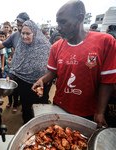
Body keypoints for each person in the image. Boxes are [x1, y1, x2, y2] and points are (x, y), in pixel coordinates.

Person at [32, 0, 116, 128]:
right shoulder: (56, 47)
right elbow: (53, 72)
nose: (58, 27)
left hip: (89, 112)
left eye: (63, 22)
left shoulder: (105, 42)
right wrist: (42, 80)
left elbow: (107, 81)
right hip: (60, 106)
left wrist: (100, 112)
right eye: (57, 22)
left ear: (79, 18)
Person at [7, 20, 51, 124]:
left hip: (41, 84)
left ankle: (40, 126)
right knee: (26, 106)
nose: (24, 36)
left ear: (34, 33)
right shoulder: (20, 46)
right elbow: (15, 63)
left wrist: (48, 78)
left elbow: (52, 67)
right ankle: (27, 125)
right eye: (23, 33)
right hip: (24, 84)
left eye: (28, 33)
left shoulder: (45, 46)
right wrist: (10, 75)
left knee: (41, 108)